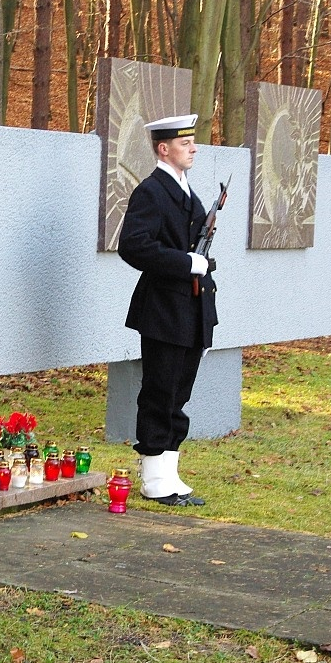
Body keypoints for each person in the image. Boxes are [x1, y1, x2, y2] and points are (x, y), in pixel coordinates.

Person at [118, 114, 217, 507]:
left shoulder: (184, 190)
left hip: (190, 309)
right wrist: (185, 263)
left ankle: (169, 474)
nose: (193, 148)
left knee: (179, 392)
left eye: (192, 142)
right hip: (164, 310)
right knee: (160, 390)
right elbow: (133, 245)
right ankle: (154, 479)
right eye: (184, 143)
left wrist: (201, 262)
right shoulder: (152, 191)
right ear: (164, 148)